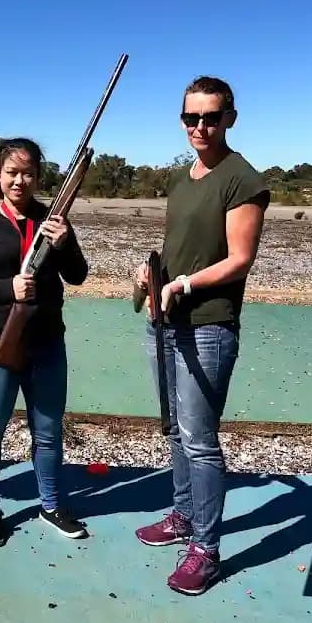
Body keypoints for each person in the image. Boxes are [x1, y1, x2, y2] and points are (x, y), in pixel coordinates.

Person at [132, 76, 269, 595]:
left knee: (201, 440)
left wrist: (186, 283)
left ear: (229, 118)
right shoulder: (183, 179)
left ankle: (206, 550)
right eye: (191, 118)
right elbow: (177, 248)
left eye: (210, 117)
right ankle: (183, 516)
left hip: (208, 324)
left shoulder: (242, 178)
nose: (200, 127)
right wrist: (154, 277)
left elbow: (239, 260)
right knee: (174, 430)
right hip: (164, 320)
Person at [0, 138, 89, 547]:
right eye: (12, 172)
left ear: (38, 178)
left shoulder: (54, 221)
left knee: (47, 432)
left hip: (48, 343)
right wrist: (6, 288)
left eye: (28, 173)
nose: (19, 180)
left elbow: (78, 275)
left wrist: (65, 243)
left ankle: (50, 505)